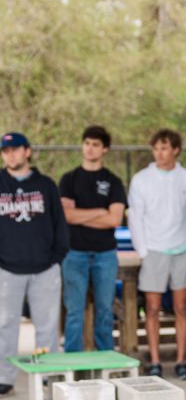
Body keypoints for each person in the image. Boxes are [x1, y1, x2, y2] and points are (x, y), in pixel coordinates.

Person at [127, 128, 186, 380]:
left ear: (176, 150)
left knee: (182, 307)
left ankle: (181, 361)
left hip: (181, 251)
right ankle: (155, 361)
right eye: (156, 148)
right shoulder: (141, 179)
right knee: (153, 308)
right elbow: (135, 216)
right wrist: (143, 251)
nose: (159, 153)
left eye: (165, 148)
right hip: (154, 251)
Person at [0, 132, 69, 395]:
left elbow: (59, 225)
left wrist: (56, 258)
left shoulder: (46, 185)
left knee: (48, 326)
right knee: (5, 325)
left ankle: (48, 373)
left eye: (15, 149)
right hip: (7, 269)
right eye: (5, 151)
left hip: (44, 269)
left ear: (27, 151)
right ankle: (4, 377)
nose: (10, 155)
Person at [59, 125, 127, 352]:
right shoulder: (69, 179)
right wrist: (100, 211)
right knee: (74, 311)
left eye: (95, 144)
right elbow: (66, 216)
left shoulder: (113, 181)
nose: (89, 148)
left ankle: (106, 360)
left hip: (105, 254)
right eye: (86, 143)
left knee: (105, 311)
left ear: (104, 149)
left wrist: (82, 215)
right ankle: (73, 363)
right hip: (74, 252)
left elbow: (115, 219)